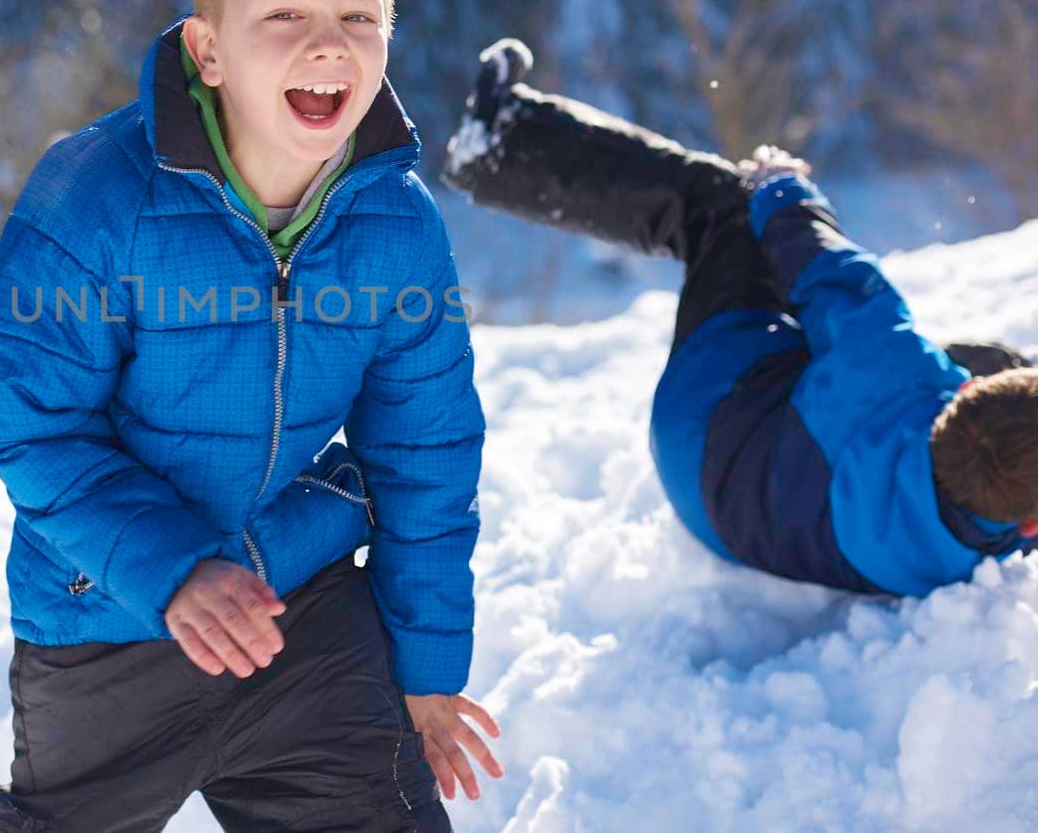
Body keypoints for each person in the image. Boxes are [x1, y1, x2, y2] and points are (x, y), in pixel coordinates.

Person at [0, 0, 501, 833]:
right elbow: (33, 433)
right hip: (108, 619)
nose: (328, 47)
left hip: (295, 607)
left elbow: (423, 456)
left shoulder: (396, 226)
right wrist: (175, 568)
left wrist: (426, 673)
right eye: (286, 17)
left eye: (358, 17)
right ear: (208, 52)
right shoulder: (92, 199)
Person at [443, 37, 1038, 597]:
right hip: (732, 519)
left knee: (726, 207)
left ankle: (499, 144)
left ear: (971, 394)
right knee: (983, 365)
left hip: (709, 419)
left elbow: (832, 274)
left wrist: (783, 192)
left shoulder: (894, 370)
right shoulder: (993, 546)